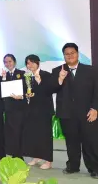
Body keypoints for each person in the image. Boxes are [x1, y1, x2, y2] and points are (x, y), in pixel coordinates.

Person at [52, 43, 98, 178]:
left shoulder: (91, 70)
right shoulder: (57, 71)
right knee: (71, 142)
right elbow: (50, 89)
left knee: (90, 142)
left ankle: (94, 168)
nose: (70, 55)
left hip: (88, 113)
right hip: (66, 113)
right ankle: (73, 166)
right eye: (67, 54)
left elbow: (97, 90)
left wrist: (95, 108)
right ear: (64, 56)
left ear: (77, 54)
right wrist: (59, 79)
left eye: (72, 53)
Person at [21, 55, 54, 170]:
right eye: (28, 63)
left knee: (45, 136)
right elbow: (25, 92)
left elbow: (50, 90)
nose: (30, 65)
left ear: (38, 63)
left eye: (32, 63)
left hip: (44, 111)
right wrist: (23, 95)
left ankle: (48, 160)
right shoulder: (27, 77)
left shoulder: (46, 75)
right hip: (31, 111)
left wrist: (39, 81)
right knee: (34, 135)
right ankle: (36, 157)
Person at [1, 54, 26, 159]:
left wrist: (22, 96)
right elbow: (2, 91)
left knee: (18, 131)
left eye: (10, 61)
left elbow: (27, 89)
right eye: (6, 62)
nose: (8, 64)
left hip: (19, 108)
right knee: (10, 131)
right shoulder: (4, 75)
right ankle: (11, 152)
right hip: (8, 109)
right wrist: (3, 79)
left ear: (14, 62)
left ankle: (19, 154)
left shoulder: (22, 74)